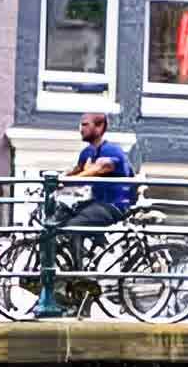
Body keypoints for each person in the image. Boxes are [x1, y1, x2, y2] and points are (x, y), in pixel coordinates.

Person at [41, 112, 136, 315]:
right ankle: (69, 285)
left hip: (115, 205)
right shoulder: (87, 153)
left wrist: (66, 181)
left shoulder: (112, 152)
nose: (81, 128)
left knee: (74, 228)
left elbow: (95, 170)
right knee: (57, 222)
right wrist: (55, 180)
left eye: (85, 125)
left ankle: (80, 276)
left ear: (100, 127)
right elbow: (76, 172)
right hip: (96, 202)